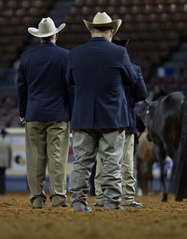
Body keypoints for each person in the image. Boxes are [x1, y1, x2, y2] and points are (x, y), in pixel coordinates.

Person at [67, 12, 135, 212]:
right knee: (112, 161)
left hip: (83, 116)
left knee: (82, 163)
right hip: (112, 117)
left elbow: (68, 82)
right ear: (112, 32)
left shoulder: (74, 53)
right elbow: (131, 79)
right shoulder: (119, 53)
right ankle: (111, 202)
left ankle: (78, 202)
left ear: (91, 30)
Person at [17, 17, 70, 209]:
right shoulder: (66, 56)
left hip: (34, 114)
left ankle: (37, 199)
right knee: (57, 158)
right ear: (56, 35)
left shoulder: (27, 57)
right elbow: (70, 88)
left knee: (35, 159)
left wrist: (23, 112)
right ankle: (58, 198)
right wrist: (70, 112)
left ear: (39, 37)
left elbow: (21, 88)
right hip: (58, 114)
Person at [94, 37, 147, 207]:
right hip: (127, 120)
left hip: (105, 119)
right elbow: (142, 94)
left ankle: (101, 197)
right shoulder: (135, 69)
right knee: (126, 162)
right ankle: (128, 197)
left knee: (103, 160)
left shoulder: (102, 69)